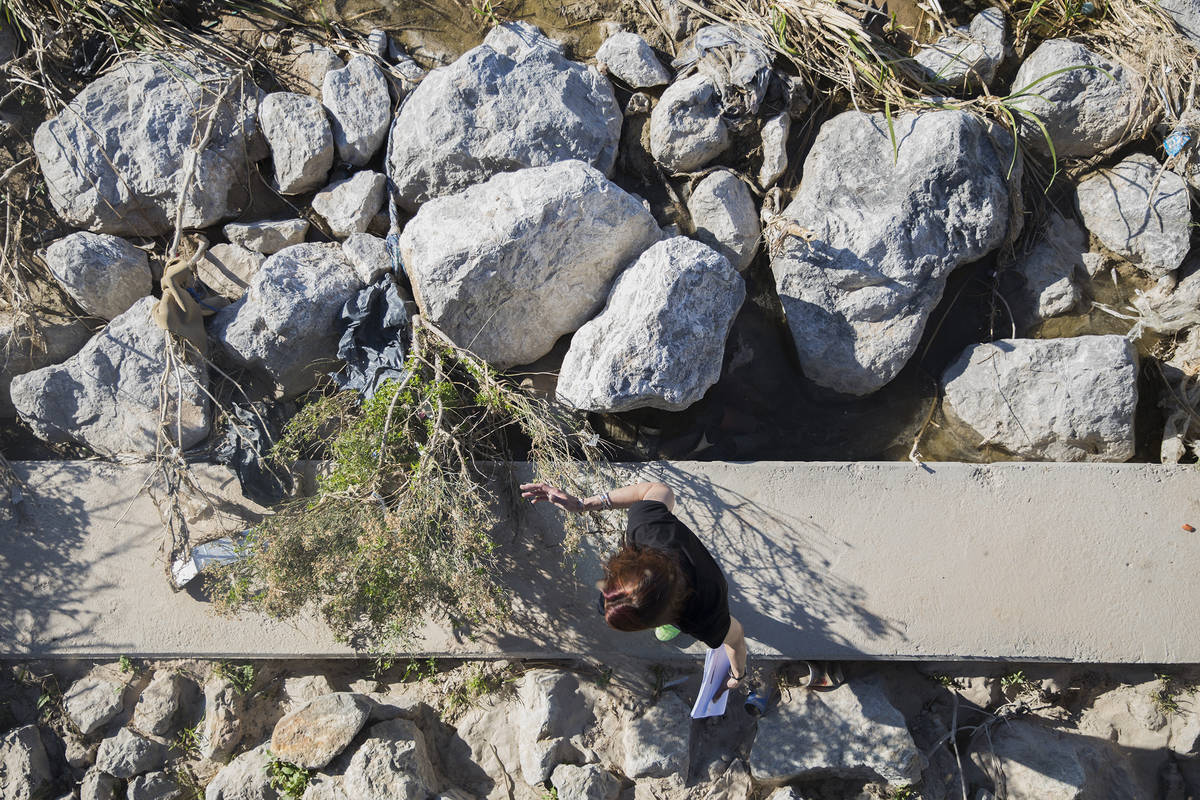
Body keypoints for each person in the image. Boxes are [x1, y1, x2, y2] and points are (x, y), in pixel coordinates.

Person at [520, 480, 748, 696]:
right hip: (680, 579)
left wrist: (738, 675)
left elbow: (735, 636)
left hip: (703, 586)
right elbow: (656, 490)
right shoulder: (645, 528)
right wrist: (582, 504)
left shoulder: (702, 615)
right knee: (607, 608)